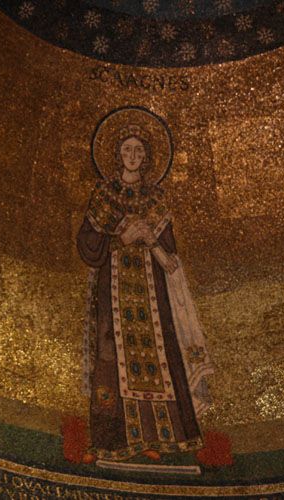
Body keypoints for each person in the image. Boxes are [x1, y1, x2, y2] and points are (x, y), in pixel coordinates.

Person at [77, 120, 213, 463]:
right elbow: (87, 243)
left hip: (153, 293)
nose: (133, 156)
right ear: (116, 154)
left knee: (160, 358)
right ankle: (113, 440)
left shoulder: (156, 198)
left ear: (148, 156)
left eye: (139, 150)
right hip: (114, 288)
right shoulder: (104, 195)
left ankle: (166, 438)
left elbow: (170, 252)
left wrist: (150, 239)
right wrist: (119, 237)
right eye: (127, 149)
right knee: (111, 357)